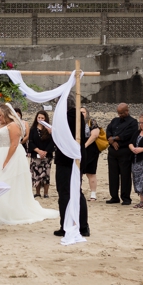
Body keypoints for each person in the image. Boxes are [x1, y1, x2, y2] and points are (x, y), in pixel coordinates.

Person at [54, 100, 90, 237]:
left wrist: (54, 132)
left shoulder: (70, 116)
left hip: (68, 159)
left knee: (66, 193)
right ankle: (80, 226)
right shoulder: (75, 115)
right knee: (74, 192)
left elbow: (66, 135)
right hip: (72, 158)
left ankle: (68, 225)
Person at [106, 102, 137, 204]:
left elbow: (128, 134)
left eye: (121, 113)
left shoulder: (133, 122)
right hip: (112, 152)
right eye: (118, 113)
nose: (120, 115)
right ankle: (114, 197)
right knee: (113, 175)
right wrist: (113, 141)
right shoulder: (114, 120)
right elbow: (108, 130)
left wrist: (114, 138)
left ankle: (126, 198)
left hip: (125, 151)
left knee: (125, 175)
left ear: (127, 111)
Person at [27, 109, 54, 198]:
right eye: (39, 117)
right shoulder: (33, 129)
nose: (40, 119)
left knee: (46, 174)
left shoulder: (49, 129)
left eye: (42, 118)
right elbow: (30, 142)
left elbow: (52, 142)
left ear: (46, 119)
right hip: (36, 154)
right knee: (36, 174)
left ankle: (46, 193)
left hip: (47, 155)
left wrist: (45, 152)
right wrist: (38, 151)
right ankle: (37, 192)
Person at [80, 109, 103, 200]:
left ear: (87, 113)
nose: (81, 114)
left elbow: (95, 135)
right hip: (78, 148)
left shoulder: (91, 122)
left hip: (90, 149)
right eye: (80, 112)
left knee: (91, 172)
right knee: (78, 172)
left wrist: (84, 146)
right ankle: (78, 191)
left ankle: (93, 194)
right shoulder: (75, 122)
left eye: (83, 112)